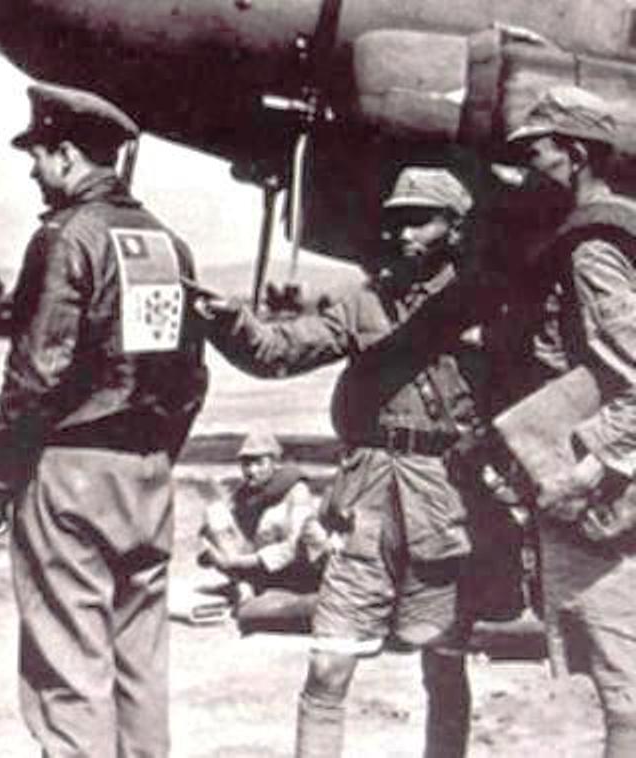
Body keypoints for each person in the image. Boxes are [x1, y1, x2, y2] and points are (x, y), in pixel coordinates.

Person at [193, 167, 477, 757]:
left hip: (442, 500)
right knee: (327, 667)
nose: (403, 234)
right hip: (364, 503)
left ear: (454, 227)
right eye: (396, 220)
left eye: (419, 220)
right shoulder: (362, 302)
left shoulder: (480, 301)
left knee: (443, 667)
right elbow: (281, 351)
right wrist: (232, 322)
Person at [0, 82, 208, 757]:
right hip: (148, 479)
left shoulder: (65, 238)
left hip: (70, 474)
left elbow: (36, 375)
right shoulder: (169, 244)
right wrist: (157, 456)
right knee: (141, 666)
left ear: (69, 155)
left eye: (40, 155)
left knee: (69, 673)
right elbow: (192, 377)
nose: (33, 170)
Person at [507, 84, 636, 758]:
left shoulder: (592, 248)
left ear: (578, 155)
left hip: (611, 502)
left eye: (536, 155)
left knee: (625, 694)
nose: (524, 171)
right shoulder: (623, 226)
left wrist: (587, 469)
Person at [198, 427, 330, 634]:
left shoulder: (297, 491)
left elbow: (294, 548)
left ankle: (300, 606)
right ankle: (245, 589)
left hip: (300, 572)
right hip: (260, 573)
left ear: (275, 463)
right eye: (246, 463)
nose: (251, 471)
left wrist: (237, 562)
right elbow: (222, 537)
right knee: (215, 512)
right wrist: (210, 551)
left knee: (256, 614)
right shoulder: (244, 494)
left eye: (259, 463)